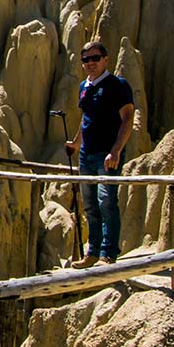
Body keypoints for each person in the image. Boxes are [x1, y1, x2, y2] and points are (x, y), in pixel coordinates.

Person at [66, 40, 135, 267]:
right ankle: (92, 253)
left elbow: (127, 119)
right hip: (87, 155)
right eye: (86, 59)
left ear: (106, 59)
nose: (90, 63)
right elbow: (87, 119)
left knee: (106, 201)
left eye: (95, 58)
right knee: (89, 205)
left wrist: (116, 151)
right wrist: (76, 144)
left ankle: (108, 254)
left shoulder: (117, 85)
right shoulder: (84, 87)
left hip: (107, 154)